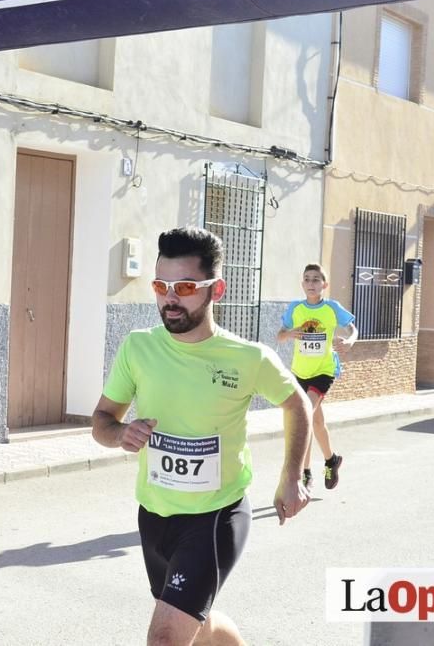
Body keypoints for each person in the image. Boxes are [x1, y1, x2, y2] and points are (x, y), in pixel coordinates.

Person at [91, 226, 311, 646]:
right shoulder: (138, 348)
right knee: (199, 625)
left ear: (217, 290)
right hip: (154, 516)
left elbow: (297, 403)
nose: (170, 298)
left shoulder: (248, 358)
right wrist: (121, 433)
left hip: (213, 518)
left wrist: (292, 476)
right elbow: (101, 421)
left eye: (186, 286)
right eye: (161, 286)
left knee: (166, 638)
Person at [276, 264, 357, 491]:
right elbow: (280, 336)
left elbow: (352, 329)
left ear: (325, 284)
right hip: (300, 372)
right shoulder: (295, 309)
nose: (311, 284)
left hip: (324, 370)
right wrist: (289, 333)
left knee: (304, 415)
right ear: (302, 284)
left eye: (316, 280)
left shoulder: (331, 308)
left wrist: (350, 341)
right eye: (307, 279)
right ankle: (332, 459)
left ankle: (305, 472)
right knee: (317, 421)